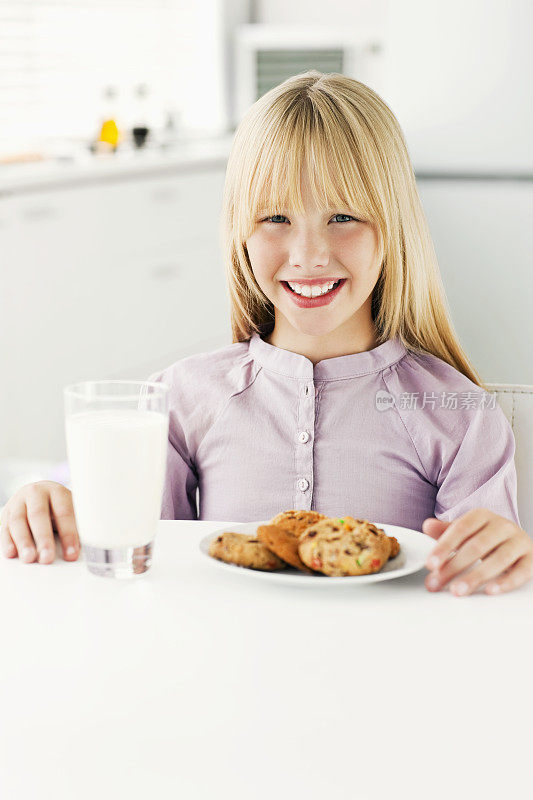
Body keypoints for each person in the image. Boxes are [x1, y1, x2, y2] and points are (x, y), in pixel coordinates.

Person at [1, 70, 531, 596]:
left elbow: (480, 599)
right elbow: (127, 560)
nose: (308, 256)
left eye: (343, 216)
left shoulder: (461, 416)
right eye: (276, 216)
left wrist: (503, 559)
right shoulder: (177, 402)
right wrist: (47, 500)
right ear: (240, 233)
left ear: (394, 226)